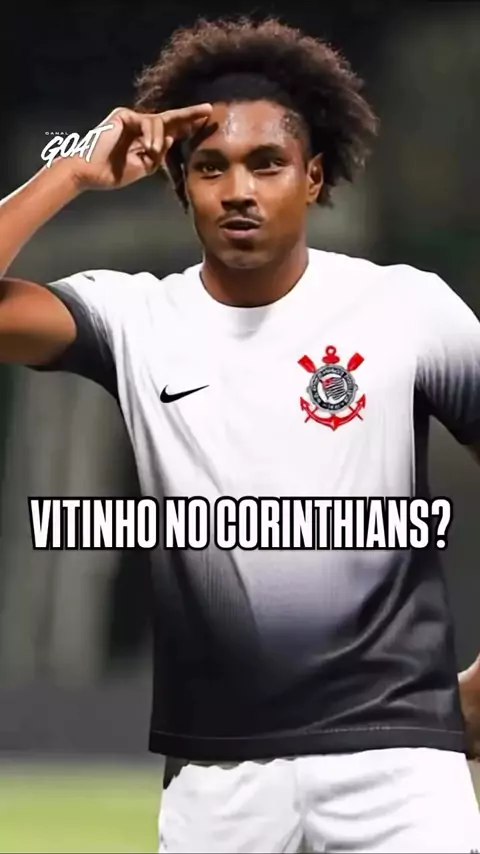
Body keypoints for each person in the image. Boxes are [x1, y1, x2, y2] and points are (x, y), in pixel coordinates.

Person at [0, 14, 479, 853]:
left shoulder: (408, 309)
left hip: (398, 767)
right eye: (210, 166)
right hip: (217, 780)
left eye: (267, 162)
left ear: (313, 175)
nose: (239, 190)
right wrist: (69, 172)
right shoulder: (134, 319)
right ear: (181, 184)